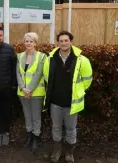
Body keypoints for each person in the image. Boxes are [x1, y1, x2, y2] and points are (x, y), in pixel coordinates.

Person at [43, 30, 93, 163]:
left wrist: (79, 91)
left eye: (66, 40)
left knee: (71, 129)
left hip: (72, 102)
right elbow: (47, 77)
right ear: (58, 43)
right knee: (56, 127)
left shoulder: (82, 60)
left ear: (71, 42)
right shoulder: (50, 59)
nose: (64, 43)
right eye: (61, 41)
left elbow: (87, 80)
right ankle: (57, 150)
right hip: (55, 102)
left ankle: (69, 153)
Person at [16, 32, 46, 152]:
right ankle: (29, 135)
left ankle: (35, 137)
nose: (28, 43)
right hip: (22, 92)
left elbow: (39, 74)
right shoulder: (19, 56)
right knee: (27, 115)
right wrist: (23, 88)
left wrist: (30, 90)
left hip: (36, 93)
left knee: (36, 117)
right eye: (26, 41)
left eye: (31, 41)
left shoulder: (42, 56)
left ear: (35, 43)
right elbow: (18, 73)